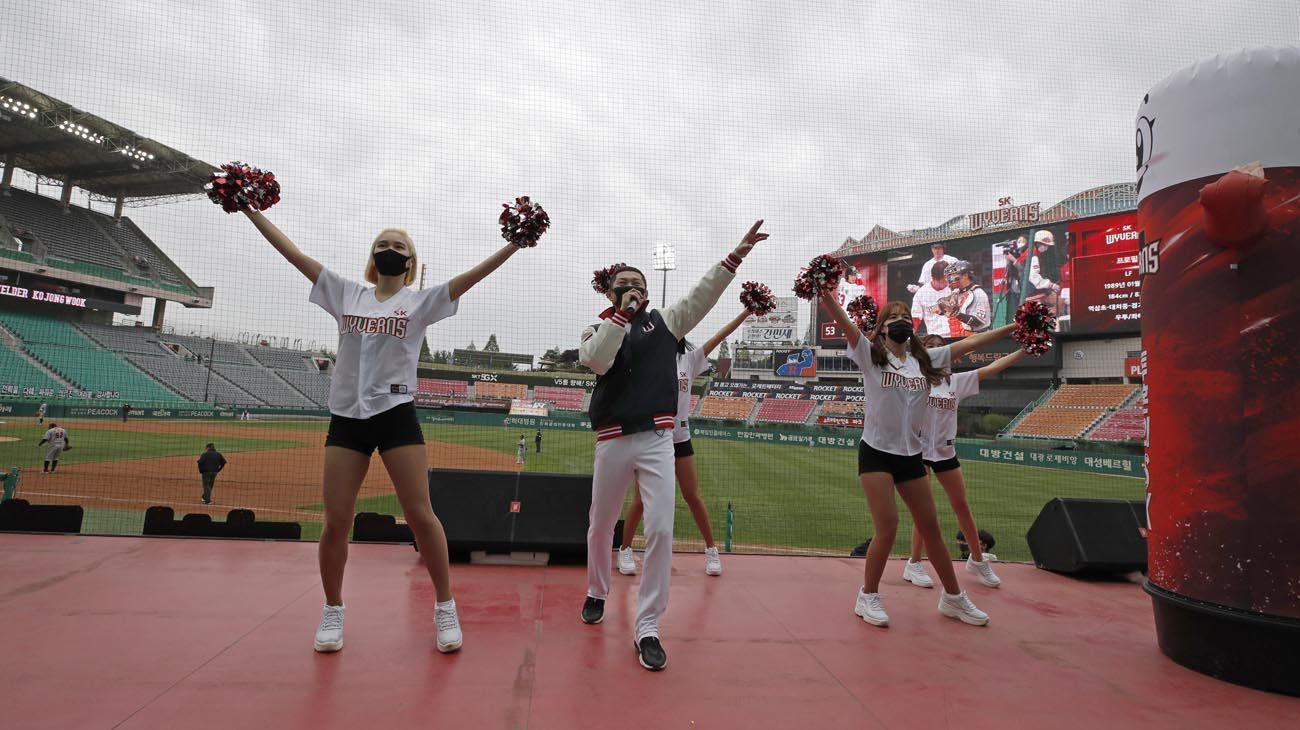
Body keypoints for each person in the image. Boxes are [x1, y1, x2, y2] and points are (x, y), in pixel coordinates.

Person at [241, 206, 527, 655]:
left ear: (410, 262)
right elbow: (292, 254)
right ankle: (333, 609)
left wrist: (515, 242)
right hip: (346, 417)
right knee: (336, 519)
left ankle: (445, 606)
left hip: (395, 413)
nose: (390, 251)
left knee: (420, 514)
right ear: (373, 257)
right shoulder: (344, 293)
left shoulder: (420, 302)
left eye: (399, 247)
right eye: (383, 245)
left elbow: (474, 276)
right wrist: (250, 211)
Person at [579, 220, 766, 671]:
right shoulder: (595, 328)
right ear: (610, 292)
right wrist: (621, 317)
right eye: (622, 285)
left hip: (660, 438)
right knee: (602, 524)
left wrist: (735, 256)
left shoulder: (666, 322)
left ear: (647, 292)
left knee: (661, 529)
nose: (631, 289)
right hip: (612, 439)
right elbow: (597, 361)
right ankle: (596, 590)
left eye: (637, 285)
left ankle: (648, 626)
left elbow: (703, 294)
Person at [820, 292, 1014, 629]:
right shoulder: (871, 356)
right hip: (877, 451)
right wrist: (825, 294)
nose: (902, 322)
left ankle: (953, 598)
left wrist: (1014, 326)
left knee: (931, 528)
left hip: (912, 454)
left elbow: (972, 344)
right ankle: (868, 595)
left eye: (907, 317)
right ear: (881, 329)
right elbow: (846, 325)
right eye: (894, 317)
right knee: (888, 527)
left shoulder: (924, 360)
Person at [618, 307, 749, 579]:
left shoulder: (688, 360)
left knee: (692, 495)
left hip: (680, 438)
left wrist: (746, 313)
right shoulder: (650, 359)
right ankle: (625, 549)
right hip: (652, 436)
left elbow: (719, 335)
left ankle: (712, 551)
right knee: (640, 500)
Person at [902, 335, 1025, 590]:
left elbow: (993, 367)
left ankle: (977, 561)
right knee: (926, 512)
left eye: (940, 348)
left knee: (962, 507)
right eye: (930, 347)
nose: (936, 351)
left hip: (946, 453)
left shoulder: (956, 382)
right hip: (919, 452)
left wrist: (1025, 350)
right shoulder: (914, 381)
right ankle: (913, 563)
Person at [939, 260, 991, 336]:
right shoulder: (956, 293)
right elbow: (944, 310)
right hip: (960, 338)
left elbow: (978, 322)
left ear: (965, 275)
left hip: (978, 338)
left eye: (954, 275)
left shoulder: (979, 294)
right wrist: (943, 309)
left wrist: (956, 314)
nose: (951, 278)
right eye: (951, 275)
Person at [910, 260, 951, 337]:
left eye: (947, 280)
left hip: (956, 334)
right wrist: (908, 337)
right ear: (933, 278)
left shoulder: (953, 288)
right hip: (936, 337)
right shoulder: (921, 293)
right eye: (942, 281)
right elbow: (915, 319)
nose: (946, 283)